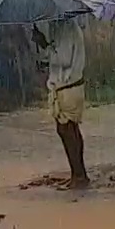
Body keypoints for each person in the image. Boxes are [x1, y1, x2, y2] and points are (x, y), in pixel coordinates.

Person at [33, 18, 89, 189]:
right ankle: (78, 173)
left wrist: (44, 44)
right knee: (69, 129)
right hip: (66, 85)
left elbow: (63, 59)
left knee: (66, 129)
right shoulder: (62, 27)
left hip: (68, 86)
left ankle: (79, 175)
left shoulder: (67, 27)